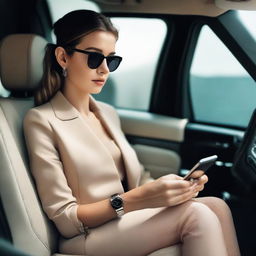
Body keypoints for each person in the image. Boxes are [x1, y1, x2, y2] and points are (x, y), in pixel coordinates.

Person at [23, 9, 240, 256]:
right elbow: (65, 217)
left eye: (111, 60)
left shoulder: (107, 113)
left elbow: (135, 180)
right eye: (94, 58)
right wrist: (138, 199)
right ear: (63, 57)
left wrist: (175, 189)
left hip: (125, 220)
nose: (105, 69)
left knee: (217, 206)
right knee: (196, 214)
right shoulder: (41, 121)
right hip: (86, 235)